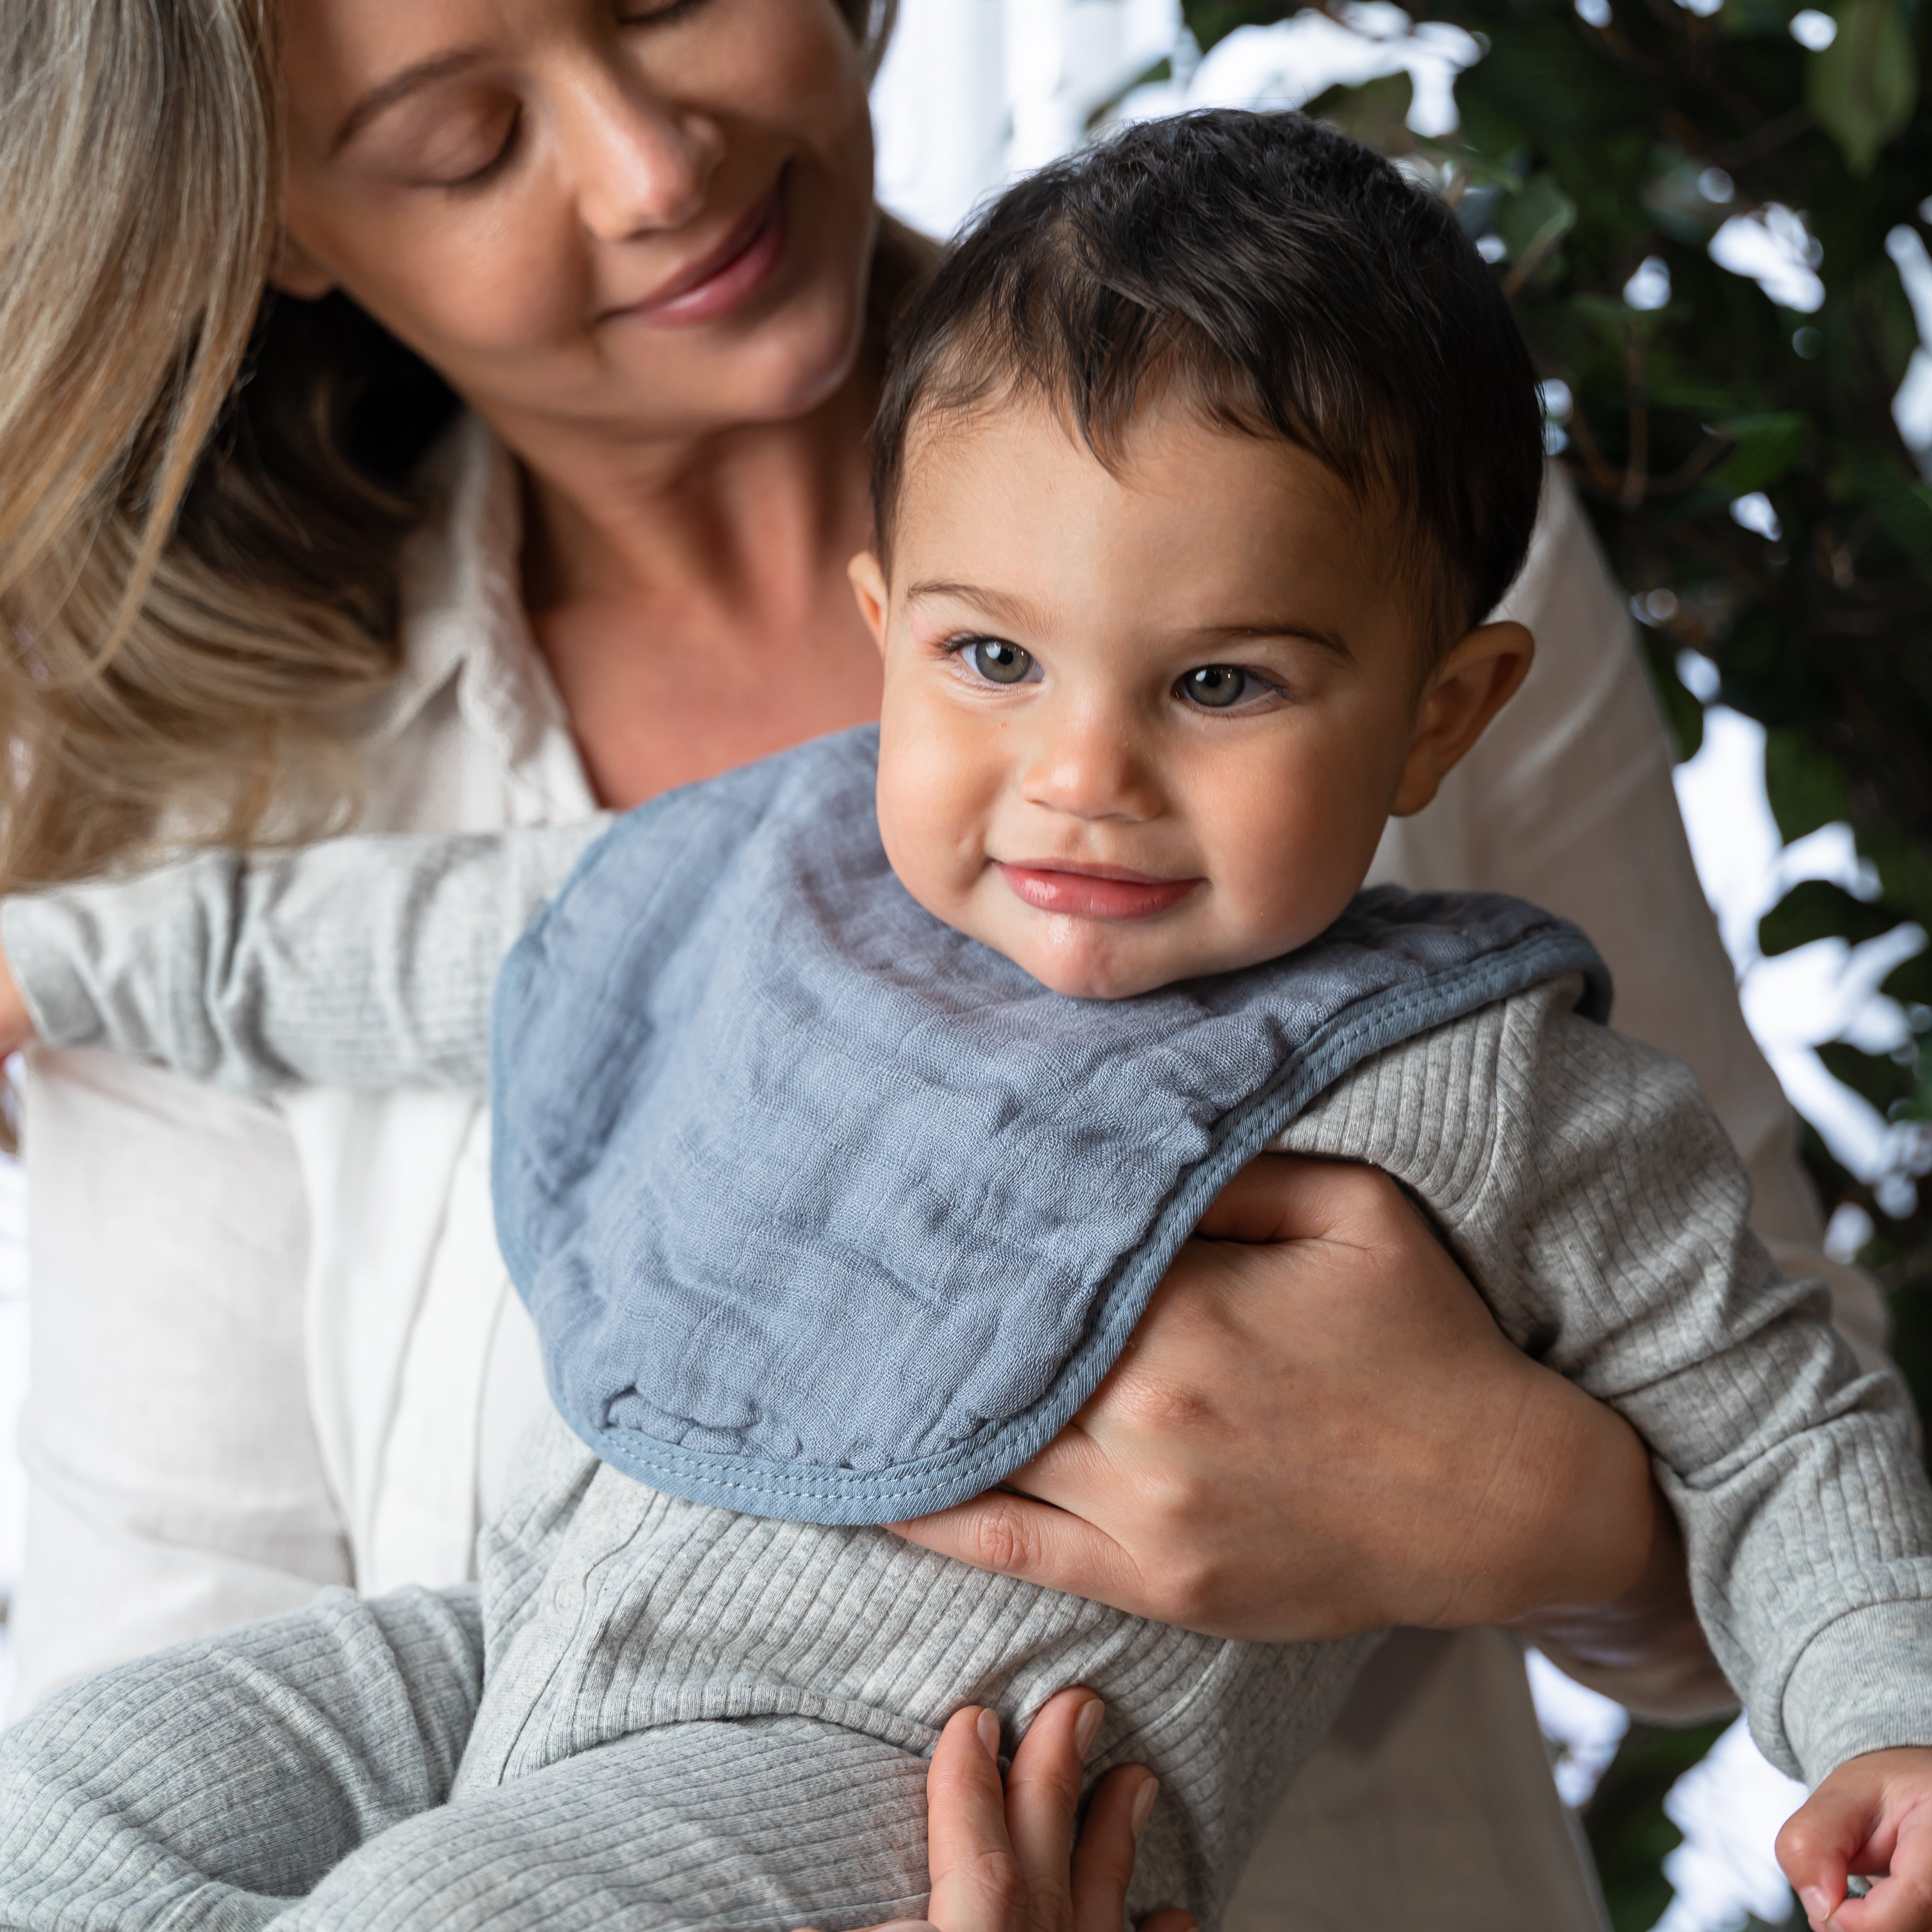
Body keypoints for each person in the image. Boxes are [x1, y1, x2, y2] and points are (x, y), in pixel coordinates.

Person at [0, 2, 1875, 1925]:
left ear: (1435, 715)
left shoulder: (1391, 587)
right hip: (507, 1641)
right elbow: (353, 944)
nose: (1080, 781)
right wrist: (41, 965)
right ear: (886, 632)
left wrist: (1758, 1645)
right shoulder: (763, 858)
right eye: (466, 137)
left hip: (888, 1766)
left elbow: (1790, 1416)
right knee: (53, 1813)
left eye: (1220, 682)